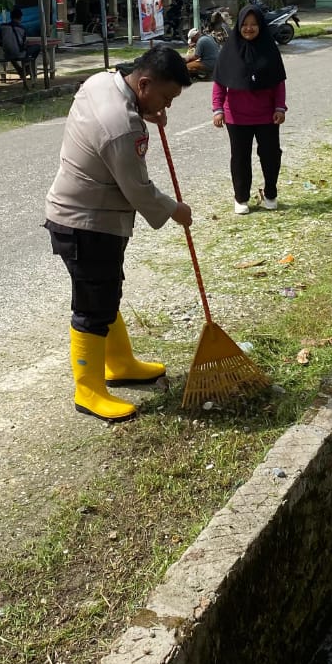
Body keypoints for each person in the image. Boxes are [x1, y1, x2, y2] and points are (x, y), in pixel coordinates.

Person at [44, 46, 194, 422]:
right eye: (165, 97)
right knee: (92, 306)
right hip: (86, 222)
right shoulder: (121, 127)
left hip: (80, 214)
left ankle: (120, 363)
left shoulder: (101, 82)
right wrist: (176, 210)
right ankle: (89, 391)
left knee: (105, 290)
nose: (168, 107)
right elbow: (139, 189)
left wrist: (147, 110)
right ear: (143, 83)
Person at [211, 4, 288, 215]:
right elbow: (220, 82)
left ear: (261, 26)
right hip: (237, 117)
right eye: (244, 24)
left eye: (254, 25)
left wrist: (280, 107)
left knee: (271, 155)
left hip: (267, 116)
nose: (249, 28)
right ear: (239, 26)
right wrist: (218, 109)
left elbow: (278, 82)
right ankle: (241, 197)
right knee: (240, 158)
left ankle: (270, 194)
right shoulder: (229, 50)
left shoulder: (270, 50)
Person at [0, 7, 41, 81]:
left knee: (11, 51)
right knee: (37, 47)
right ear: (20, 17)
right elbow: (23, 45)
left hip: (7, 54)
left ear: (10, 17)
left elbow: (0, 41)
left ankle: (21, 70)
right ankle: (27, 68)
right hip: (19, 54)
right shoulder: (22, 29)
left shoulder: (3, 27)